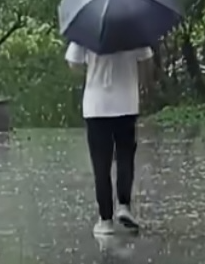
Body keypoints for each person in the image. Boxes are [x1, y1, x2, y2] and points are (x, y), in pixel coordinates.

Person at [65, 41, 154, 236]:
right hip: (127, 103)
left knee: (101, 164)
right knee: (125, 157)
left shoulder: (86, 31)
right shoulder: (131, 28)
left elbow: (73, 63)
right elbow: (147, 59)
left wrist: (89, 71)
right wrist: (141, 85)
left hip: (96, 106)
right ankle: (124, 206)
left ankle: (105, 221)